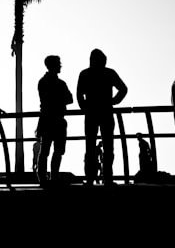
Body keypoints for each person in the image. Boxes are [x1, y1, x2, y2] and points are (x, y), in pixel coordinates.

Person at [76, 48, 127, 186]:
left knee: (90, 146)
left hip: (91, 113)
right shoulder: (109, 73)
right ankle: (107, 177)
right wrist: (113, 101)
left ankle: (91, 178)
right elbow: (123, 89)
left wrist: (85, 107)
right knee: (108, 146)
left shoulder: (85, 74)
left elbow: (79, 94)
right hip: (106, 112)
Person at [36, 55, 73, 187]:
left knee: (46, 150)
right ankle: (53, 177)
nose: (60, 65)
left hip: (46, 119)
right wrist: (60, 100)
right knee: (56, 150)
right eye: (58, 63)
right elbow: (69, 99)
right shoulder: (60, 84)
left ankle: (43, 178)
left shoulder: (43, 82)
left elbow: (66, 99)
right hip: (56, 119)